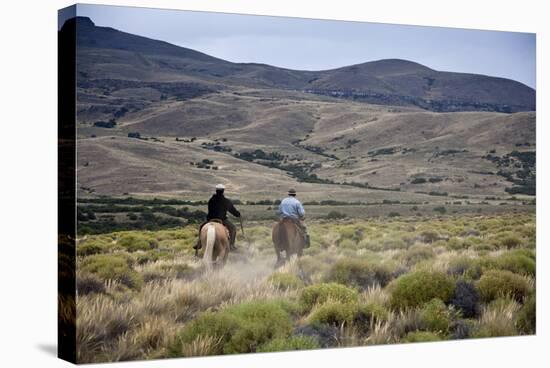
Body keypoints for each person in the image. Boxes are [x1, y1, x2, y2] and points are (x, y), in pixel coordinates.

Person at [193, 184, 241, 251]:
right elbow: (232, 211)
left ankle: (199, 243)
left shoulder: (211, 200)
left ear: (216, 191)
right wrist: (238, 214)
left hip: (210, 219)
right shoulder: (226, 201)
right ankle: (231, 245)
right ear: (223, 191)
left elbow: (210, 210)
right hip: (222, 219)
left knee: (201, 227)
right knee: (233, 228)